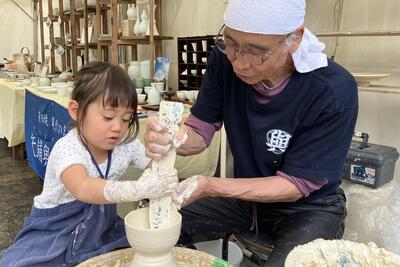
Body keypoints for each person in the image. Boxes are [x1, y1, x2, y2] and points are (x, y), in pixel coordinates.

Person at [144, 0, 358, 266]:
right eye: (231, 43)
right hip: (247, 198)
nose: (239, 64)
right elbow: (200, 130)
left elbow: (295, 185)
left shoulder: (332, 89)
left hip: (308, 207)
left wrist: (210, 185)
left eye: (256, 52)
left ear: (295, 38)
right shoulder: (224, 59)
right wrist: (173, 139)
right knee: (156, 222)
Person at [0, 62, 178, 267]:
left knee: (136, 253)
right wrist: (138, 189)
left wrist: (164, 181)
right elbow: (83, 187)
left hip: (102, 226)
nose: (117, 128)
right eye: (108, 117)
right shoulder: (67, 148)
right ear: (76, 111)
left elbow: (153, 167)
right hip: (55, 229)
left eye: (126, 119)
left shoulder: (126, 144)